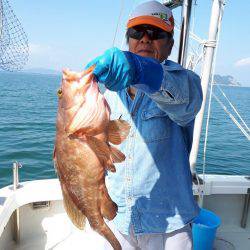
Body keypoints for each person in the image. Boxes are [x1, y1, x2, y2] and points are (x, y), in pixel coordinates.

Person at [86, 1, 203, 249]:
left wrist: (139, 70)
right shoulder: (108, 93)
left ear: (170, 44)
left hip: (169, 225)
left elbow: (186, 105)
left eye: (157, 33)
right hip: (118, 218)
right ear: (128, 40)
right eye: (137, 33)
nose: (145, 39)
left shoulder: (185, 83)